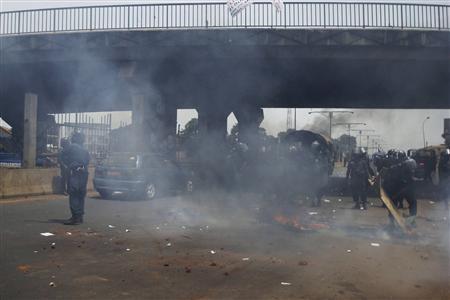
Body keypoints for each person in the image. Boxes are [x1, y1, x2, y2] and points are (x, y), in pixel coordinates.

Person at [382, 150, 418, 227]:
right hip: (405, 188)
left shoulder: (394, 165)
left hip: (398, 188)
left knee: (393, 205)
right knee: (413, 203)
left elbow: (387, 175)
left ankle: (392, 223)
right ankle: (411, 220)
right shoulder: (408, 163)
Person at [63, 132, 90, 225]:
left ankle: (75, 217)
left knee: (73, 194)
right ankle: (80, 217)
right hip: (84, 173)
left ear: (75, 139)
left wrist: (68, 164)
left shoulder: (72, 146)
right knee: (80, 194)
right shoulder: (85, 150)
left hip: (75, 172)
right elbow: (87, 161)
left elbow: (62, 155)